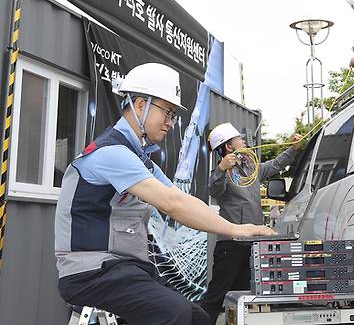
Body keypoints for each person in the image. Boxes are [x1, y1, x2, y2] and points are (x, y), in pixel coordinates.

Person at [54, 63, 274, 325]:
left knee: (198, 318)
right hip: (92, 273)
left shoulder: (140, 159)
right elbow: (172, 204)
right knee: (176, 315)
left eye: (174, 115)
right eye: (167, 112)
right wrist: (238, 231)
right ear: (139, 105)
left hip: (125, 268)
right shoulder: (112, 153)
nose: (170, 122)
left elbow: (183, 199)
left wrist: (239, 228)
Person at [200, 123, 302, 323]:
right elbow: (214, 190)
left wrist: (293, 149)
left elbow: (275, 165)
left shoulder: (251, 168)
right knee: (216, 295)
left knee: (244, 296)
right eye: (239, 139)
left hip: (254, 244)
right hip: (231, 243)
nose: (244, 142)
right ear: (229, 147)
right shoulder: (221, 173)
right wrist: (221, 168)